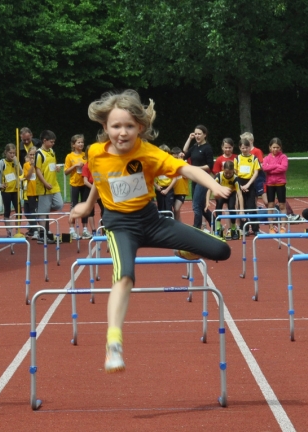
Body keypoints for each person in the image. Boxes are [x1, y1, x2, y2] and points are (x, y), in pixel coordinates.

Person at [70, 90, 231, 373]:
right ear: (105, 128)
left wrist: (213, 185)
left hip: (152, 221)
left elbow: (187, 170)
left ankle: (184, 249)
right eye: (116, 126)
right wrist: (87, 206)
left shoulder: (148, 153)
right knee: (125, 276)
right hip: (120, 226)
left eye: (129, 126)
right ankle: (114, 342)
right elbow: (99, 180)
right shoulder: (95, 153)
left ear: (140, 128)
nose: (122, 133)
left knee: (222, 250)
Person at [183, 125, 213, 230]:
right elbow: (185, 152)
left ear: (205, 135)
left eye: (199, 134)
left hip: (203, 178)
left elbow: (210, 166)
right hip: (195, 178)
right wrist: (189, 138)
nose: (197, 136)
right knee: (201, 205)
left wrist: (195, 168)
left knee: (196, 205)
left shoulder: (207, 148)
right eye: (195, 134)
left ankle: (197, 227)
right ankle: (215, 221)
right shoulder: (195, 147)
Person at [0, 143, 23, 237]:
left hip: (16, 190)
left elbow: (21, 173)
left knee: (19, 211)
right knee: (7, 210)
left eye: (13, 153)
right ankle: (9, 231)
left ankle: (17, 231)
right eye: (10, 153)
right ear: (6, 152)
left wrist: (17, 163)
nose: (12, 155)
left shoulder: (16, 161)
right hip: (6, 191)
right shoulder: (1, 163)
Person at [35, 130, 63, 242]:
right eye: (51, 142)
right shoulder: (39, 153)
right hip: (44, 187)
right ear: (44, 141)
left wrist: (56, 167)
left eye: (53, 142)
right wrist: (45, 183)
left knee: (59, 204)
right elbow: (38, 170)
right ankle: (42, 235)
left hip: (54, 185)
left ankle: (41, 211)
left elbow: (52, 164)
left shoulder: (51, 151)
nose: (53, 144)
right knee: (43, 212)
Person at [207, 161, 244, 239]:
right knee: (218, 206)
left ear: (233, 171)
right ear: (223, 169)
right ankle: (218, 228)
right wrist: (207, 201)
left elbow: (240, 195)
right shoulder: (219, 176)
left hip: (231, 194)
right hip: (221, 193)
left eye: (230, 173)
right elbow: (209, 189)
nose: (228, 175)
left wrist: (241, 210)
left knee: (231, 208)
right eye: (226, 173)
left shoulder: (235, 178)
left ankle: (233, 228)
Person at [64, 134, 91, 239]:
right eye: (78, 142)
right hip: (74, 184)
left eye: (82, 142)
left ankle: (84, 230)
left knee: (85, 206)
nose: (81, 144)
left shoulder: (85, 155)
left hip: (85, 183)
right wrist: (75, 166)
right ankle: (72, 230)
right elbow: (66, 172)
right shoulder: (69, 156)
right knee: (74, 206)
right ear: (73, 144)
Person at [234, 138, 261, 235]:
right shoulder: (237, 158)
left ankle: (255, 228)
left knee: (251, 206)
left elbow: (256, 172)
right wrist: (241, 186)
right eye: (242, 148)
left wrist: (248, 184)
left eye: (246, 148)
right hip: (240, 183)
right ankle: (244, 228)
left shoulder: (254, 158)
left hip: (250, 182)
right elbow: (235, 173)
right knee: (242, 207)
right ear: (239, 148)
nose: (244, 150)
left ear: (249, 147)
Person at [262, 137, 288, 233]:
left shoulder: (283, 157)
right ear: (270, 147)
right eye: (273, 147)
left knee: (282, 205)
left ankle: (283, 226)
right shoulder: (267, 158)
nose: (275, 149)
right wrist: (277, 165)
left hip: (280, 183)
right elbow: (265, 168)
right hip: (270, 184)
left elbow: (283, 168)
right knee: (270, 205)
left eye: (277, 147)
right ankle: (271, 227)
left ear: (280, 147)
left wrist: (271, 168)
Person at [240, 132, 267, 208]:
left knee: (266, 200)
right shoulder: (243, 152)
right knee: (253, 200)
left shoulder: (257, 151)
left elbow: (262, 164)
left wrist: (254, 167)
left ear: (251, 141)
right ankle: (254, 218)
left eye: (245, 140)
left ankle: (275, 213)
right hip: (249, 177)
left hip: (259, 177)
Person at [82, 144, 103, 234]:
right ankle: (94, 229)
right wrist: (93, 188)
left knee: (105, 208)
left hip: (100, 187)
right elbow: (85, 181)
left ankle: (104, 228)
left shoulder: (100, 164)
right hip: (90, 187)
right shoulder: (86, 166)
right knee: (90, 210)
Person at [154, 144, 177, 213]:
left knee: (168, 208)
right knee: (160, 209)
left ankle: (170, 222)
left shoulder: (171, 163)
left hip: (168, 188)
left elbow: (175, 178)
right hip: (159, 188)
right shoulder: (156, 164)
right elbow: (150, 177)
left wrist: (167, 190)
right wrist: (156, 186)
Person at [23, 146, 39, 238]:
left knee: (39, 211)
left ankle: (41, 229)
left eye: (34, 154)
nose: (32, 156)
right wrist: (32, 165)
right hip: (31, 191)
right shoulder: (26, 165)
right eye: (31, 155)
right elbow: (27, 177)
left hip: (39, 191)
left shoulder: (40, 164)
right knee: (32, 212)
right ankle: (35, 230)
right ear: (28, 155)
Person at [170, 147, 189, 223]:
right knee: (174, 210)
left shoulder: (184, 164)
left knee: (177, 209)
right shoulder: (171, 164)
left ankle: (179, 226)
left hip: (181, 191)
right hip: (172, 190)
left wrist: (180, 161)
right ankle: (178, 225)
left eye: (176, 157)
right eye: (173, 157)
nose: (175, 159)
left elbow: (186, 175)